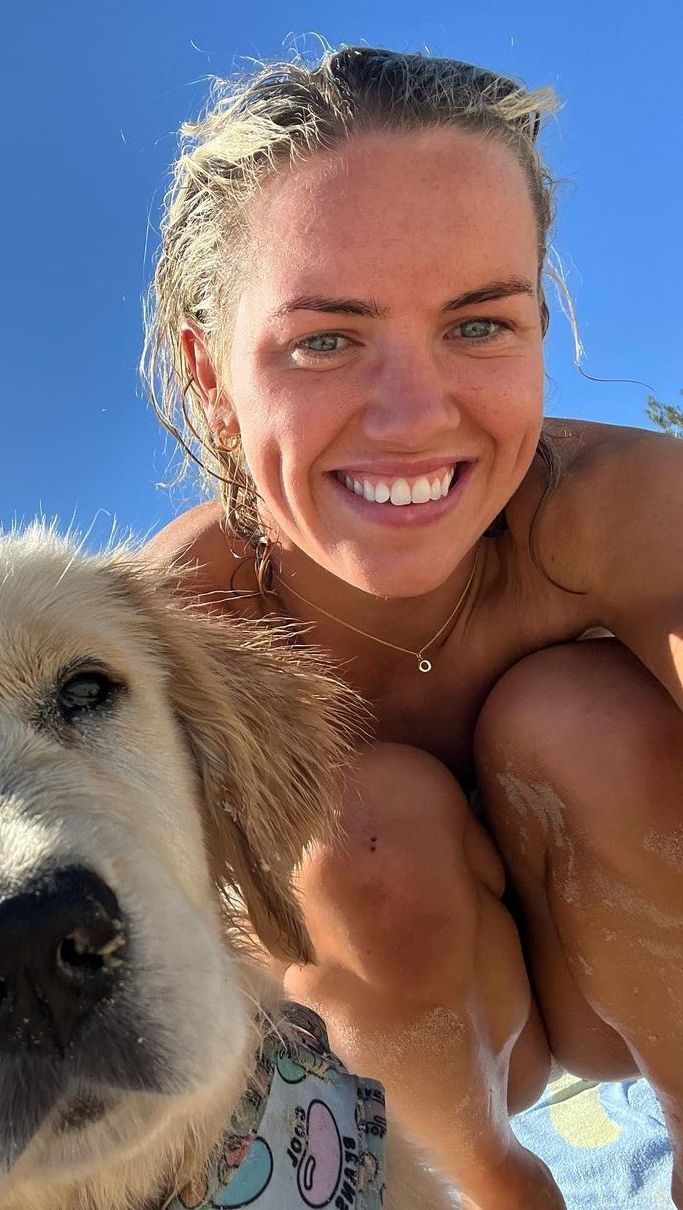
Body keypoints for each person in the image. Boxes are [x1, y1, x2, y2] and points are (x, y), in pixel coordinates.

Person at [143, 46, 683, 1210]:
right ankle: (491, 1190)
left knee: (575, 719)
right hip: (410, 1061)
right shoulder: (177, 629)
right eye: (325, 339)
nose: (411, 415)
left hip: (627, 983)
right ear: (210, 378)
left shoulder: (620, 509)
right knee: (348, 823)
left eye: (477, 325)